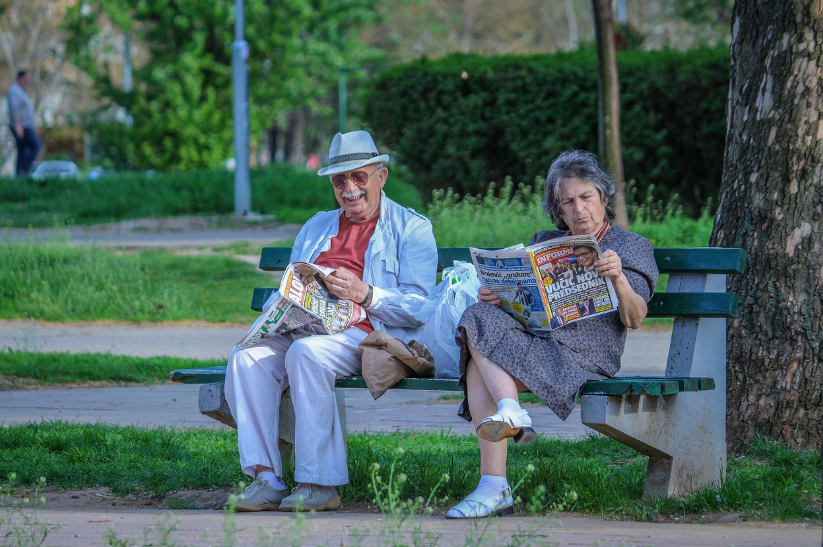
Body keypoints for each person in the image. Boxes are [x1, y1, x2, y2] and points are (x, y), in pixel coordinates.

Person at [224, 130, 438, 512]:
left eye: (360, 176)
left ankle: (319, 484)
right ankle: (266, 478)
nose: (350, 188)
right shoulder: (316, 226)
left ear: (381, 177)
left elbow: (421, 308)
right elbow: (291, 283)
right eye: (340, 180)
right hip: (307, 328)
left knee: (308, 354)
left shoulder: (412, 228)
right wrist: (281, 310)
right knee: (246, 358)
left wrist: (365, 293)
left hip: (368, 335)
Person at [446, 150, 658, 519]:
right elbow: (523, 306)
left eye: (586, 197)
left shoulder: (629, 247)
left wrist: (619, 277)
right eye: (567, 202)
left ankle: (494, 484)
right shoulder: (546, 242)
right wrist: (498, 297)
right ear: (558, 211)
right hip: (538, 343)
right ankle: (510, 414)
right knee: (476, 314)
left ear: (603, 198)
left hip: (585, 357)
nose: (579, 209)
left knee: (478, 367)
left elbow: (635, 318)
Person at [7, 70, 40, 176]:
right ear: (21, 78)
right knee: (36, 146)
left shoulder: (22, 91)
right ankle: (25, 168)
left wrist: (34, 127)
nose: (29, 80)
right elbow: (14, 109)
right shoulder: (14, 90)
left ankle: (20, 175)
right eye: (27, 78)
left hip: (27, 126)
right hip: (22, 126)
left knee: (22, 151)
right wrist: (18, 126)